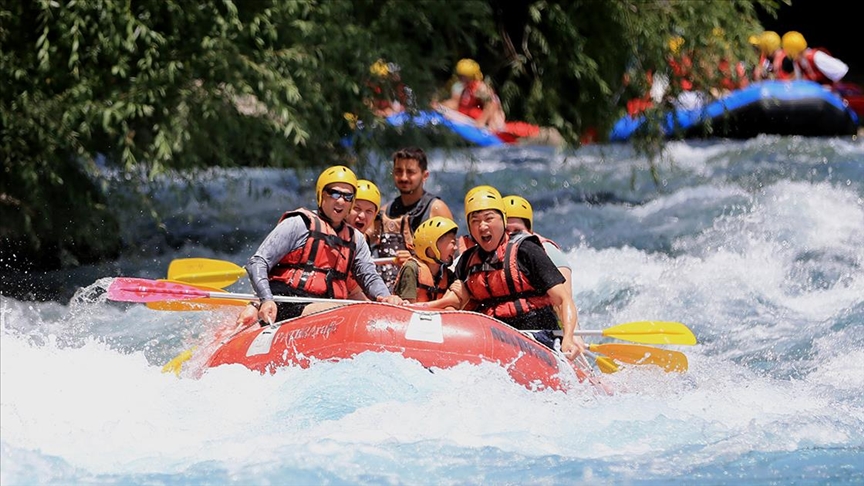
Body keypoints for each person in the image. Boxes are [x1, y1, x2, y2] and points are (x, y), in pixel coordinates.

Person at [237, 166, 405, 326]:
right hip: (285, 302)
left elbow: (369, 276)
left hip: (324, 308)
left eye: (347, 196)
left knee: (357, 310)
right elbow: (258, 262)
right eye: (334, 193)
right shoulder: (299, 224)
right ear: (321, 195)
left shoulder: (356, 240)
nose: (340, 200)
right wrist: (265, 299)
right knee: (346, 311)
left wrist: (385, 297)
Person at [451, 188, 585, 360]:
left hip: (538, 337)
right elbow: (452, 303)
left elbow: (563, 299)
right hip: (491, 340)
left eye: (489, 218)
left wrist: (568, 337)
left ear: (503, 220)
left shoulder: (527, 250)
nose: (482, 226)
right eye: (475, 221)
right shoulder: (467, 262)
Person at [378, 147, 454, 289]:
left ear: (425, 175)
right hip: (388, 293)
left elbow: (451, 257)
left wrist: (415, 260)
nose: (404, 177)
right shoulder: (385, 211)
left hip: (424, 292)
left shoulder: (437, 209)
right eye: (398, 171)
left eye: (411, 172)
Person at [502, 195, 573, 299]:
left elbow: (565, 299)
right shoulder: (488, 253)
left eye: (517, 231)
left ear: (529, 231)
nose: (512, 236)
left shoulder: (549, 251)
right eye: (506, 230)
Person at [392, 216, 462, 309]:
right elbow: (408, 309)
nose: (455, 248)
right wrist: (446, 302)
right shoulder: (411, 268)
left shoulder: (447, 275)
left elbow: (454, 306)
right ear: (432, 247)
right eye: (452, 243)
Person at [438, 58, 506, 131]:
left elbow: (492, 104)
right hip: (469, 120)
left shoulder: (480, 88)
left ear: (471, 76)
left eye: (463, 76)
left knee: (477, 113)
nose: (460, 78)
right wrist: (440, 106)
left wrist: (481, 121)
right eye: (459, 75)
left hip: (489, 120)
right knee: (466, 110)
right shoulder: (462, 87)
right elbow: (455, 103)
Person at [777, 31, 849, 85]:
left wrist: (832, 89)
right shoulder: (798, 62)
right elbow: (798, 81)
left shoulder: (817, 57)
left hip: (831, 96)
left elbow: (841, 71)